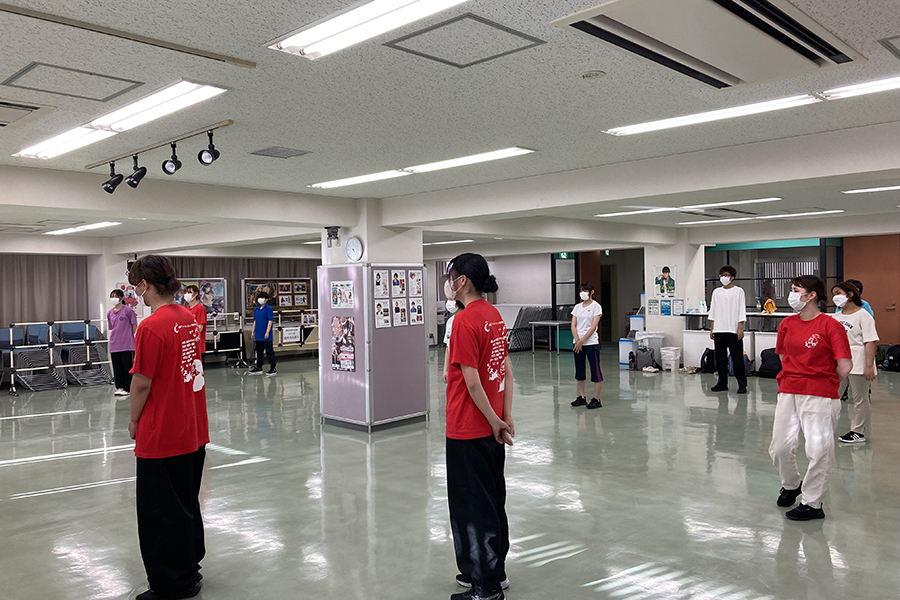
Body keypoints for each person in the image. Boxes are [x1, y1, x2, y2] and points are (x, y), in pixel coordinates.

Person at [127, 255, 208, 600]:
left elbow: (141, 382)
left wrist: (134, 420)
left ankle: (173, 582)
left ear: (145, 285)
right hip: (192, 426)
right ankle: (189, 566)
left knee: (160, 510)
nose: (137, 294)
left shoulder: (151, 326)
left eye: (136, 287)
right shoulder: (188, 318)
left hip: (163, 432)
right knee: (186, 502)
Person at [444, 253, 513, 600]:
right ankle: (490, 571)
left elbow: (471, 382)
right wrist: (504, 416)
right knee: (492, 499)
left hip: (468, 428)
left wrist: (493, 419)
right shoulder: (493, 316)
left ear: (462, 281)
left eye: (451, 277)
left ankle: (485, 588)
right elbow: (505, 370)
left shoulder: (464, 321)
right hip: (492, 428)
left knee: (471, 507)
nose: (448, 284)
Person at [769, 275, 851, 521]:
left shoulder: (830, 325)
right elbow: (783, 356)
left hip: (819, 392)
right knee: (779, 447)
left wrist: (824, 380)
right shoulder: (787, 324)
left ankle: (813, 503)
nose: (791, 294)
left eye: (796, 290)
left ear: (811, 295)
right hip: (789, 389)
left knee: (818, 450)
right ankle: (792, 484)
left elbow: (844, 366)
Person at [831, 281, 879, 443]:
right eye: (834, 294)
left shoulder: (864, 316)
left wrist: (868, 366)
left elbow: (870, 342)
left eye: (838, 293)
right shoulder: (836, 317)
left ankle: (858, 431)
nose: (835, 297)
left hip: (859, 362)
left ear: (850, 295)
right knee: (832, 396)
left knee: (860, 399)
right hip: (839, 362)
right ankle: (826, 427)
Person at [707, 266, 748, 394]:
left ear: (732, 277)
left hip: (733, 329)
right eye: (722, 275)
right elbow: (713, 310)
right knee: (720, 359)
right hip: (719, 329)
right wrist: (712, 328)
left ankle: (742, 384)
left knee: (737, 358)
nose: (723, 277)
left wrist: (740, 327)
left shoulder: (738, 291)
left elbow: (741, 309)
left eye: (726, 275)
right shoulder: (716, 292)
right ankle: (722, 383)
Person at [570, 282, 603, 409]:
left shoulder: (596, 307)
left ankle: (596, 398)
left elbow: (593, 326)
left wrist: (582, 341)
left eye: (585, 290)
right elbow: (573, 325)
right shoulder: (577, 307)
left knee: (595, 369)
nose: (582, 293)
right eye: (581, 291)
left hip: (591, 343)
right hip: (577, 343)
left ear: (591, 292)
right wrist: (577, 340)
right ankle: (581, 397)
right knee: (579, 369)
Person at [108, 288, 138, 397]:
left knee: (127, 367)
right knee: (117, 367)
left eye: (115, 296)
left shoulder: (128, 310)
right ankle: (119, 387)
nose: (113, 298)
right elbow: (112, 328)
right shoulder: (110, 313)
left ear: (121, 298)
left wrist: (130, 336)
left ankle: (128, 388)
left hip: (127, 344)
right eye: (112, 296)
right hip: (114, 344)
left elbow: (134, 325)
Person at [249, 291, 276, 376]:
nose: (261, 299)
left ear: (267, 299)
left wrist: (267, 332)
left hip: (266, 334)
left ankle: (273, 368)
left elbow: (270, 321)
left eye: (263, 298)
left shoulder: (268, 309)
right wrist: (253, 332)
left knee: (269, 351)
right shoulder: (256, 309)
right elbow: (255, 321)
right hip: (258, 334)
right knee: (259, 351)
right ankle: (259, 367)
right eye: (260, 297)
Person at [442, 299, 464, 384]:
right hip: (453, 366)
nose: (449, 302)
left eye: (452, 299)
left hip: (464, 365)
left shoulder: (466, 320)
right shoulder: (450, 321)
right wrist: (445, 370)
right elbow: (448, 347)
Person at [184, 285, 207, 363]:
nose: (187, 294)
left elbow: (200, 327)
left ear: (196, 294)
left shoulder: (200, 308)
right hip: (187, 346)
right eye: (186, 293)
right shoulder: (186, 309)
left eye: (189, 292)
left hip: (197, 345)